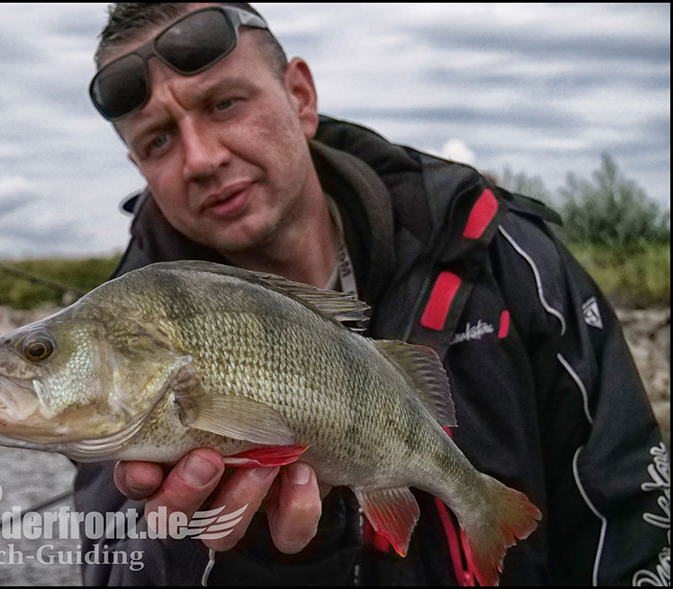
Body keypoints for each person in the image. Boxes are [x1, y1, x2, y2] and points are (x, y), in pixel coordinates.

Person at [74, 3, 669, 585]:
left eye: (223, 104)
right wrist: (244, 558)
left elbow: (628, 504)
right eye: (158, 141)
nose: (202, 159)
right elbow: (113, 568)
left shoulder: (503, 253)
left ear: (300, 96)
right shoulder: (108, 353)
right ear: (136, 164)